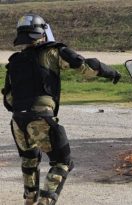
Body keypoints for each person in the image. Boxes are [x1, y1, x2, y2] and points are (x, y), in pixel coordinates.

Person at [2, 14, 121, 205]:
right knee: (63, 162)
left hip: (17, 122)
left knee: (29, 160)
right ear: (42, 31)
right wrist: (112, 73)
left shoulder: (14, 61)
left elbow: (8, 100)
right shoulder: (53, 52)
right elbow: (88, 67)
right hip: (40, 118)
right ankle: (45, 202)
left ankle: (30, 199)